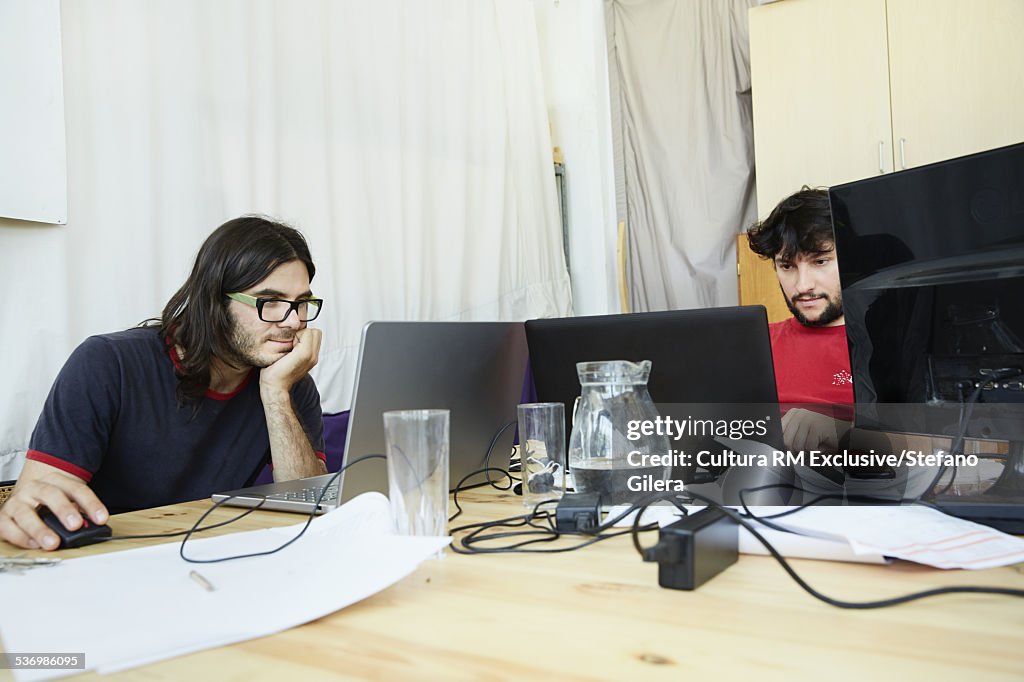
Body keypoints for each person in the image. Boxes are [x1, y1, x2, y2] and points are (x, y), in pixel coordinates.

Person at [0, 216, 327, 550]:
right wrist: (32, 511)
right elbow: (38, 501)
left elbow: (304, 504)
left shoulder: (286, 380)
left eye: (302, 303)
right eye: (269, 301)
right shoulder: (108, 364)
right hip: (103, 554)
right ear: (215, 301)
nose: (294, 321)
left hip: (205, 553)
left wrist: (276, 395)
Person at [746, 187, 853, 454]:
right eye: (787, 266)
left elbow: (935, 445)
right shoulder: (754, 343)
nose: (803, 285)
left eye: (820, 261)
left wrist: (839, 431)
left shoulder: (892, 346)